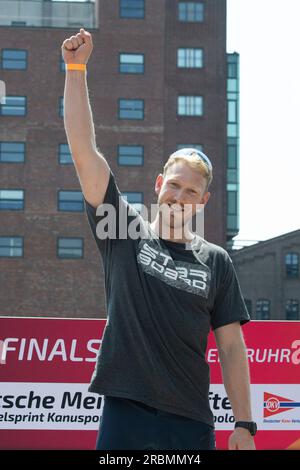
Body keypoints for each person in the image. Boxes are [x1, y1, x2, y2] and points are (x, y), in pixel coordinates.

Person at [61, 28, 256, 451]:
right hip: (125, 414)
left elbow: (231, 347)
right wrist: (76, 69)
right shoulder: (121, 228)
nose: (179, 197)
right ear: (157, 184)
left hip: (189, 423)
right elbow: (83, 151)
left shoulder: (216, 261)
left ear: (202, 202)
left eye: (191, 192)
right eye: (174, 185)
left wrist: (245, 424)